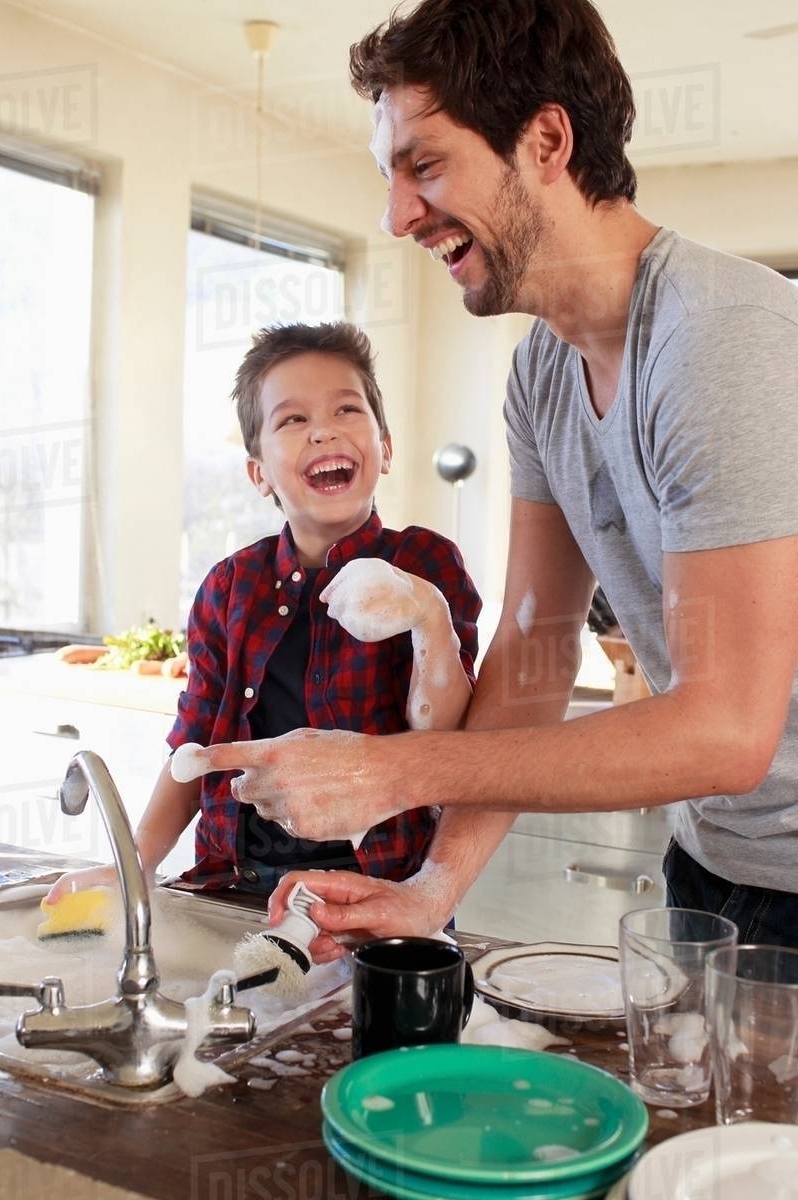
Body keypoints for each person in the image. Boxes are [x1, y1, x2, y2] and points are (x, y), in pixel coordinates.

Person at [179, 0, 798, 955]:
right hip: (715, 860)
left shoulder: (718, 340)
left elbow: (725, 731)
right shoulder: (542, 373)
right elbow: (535, 650)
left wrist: (395, 771)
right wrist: (433, 887)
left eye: (425, 165)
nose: (395, 217)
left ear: (547, 140)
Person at [46, 321, 480, 905]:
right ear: (259, 474)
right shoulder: (229, 587)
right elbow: (193, 748)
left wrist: (430, 617)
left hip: (377, 888)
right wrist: (135, 866)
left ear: (386, 447)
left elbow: (446, 740)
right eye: (293, 420)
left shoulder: (425, 562)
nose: (323, 431)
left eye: (347, 410)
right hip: (235, 885)